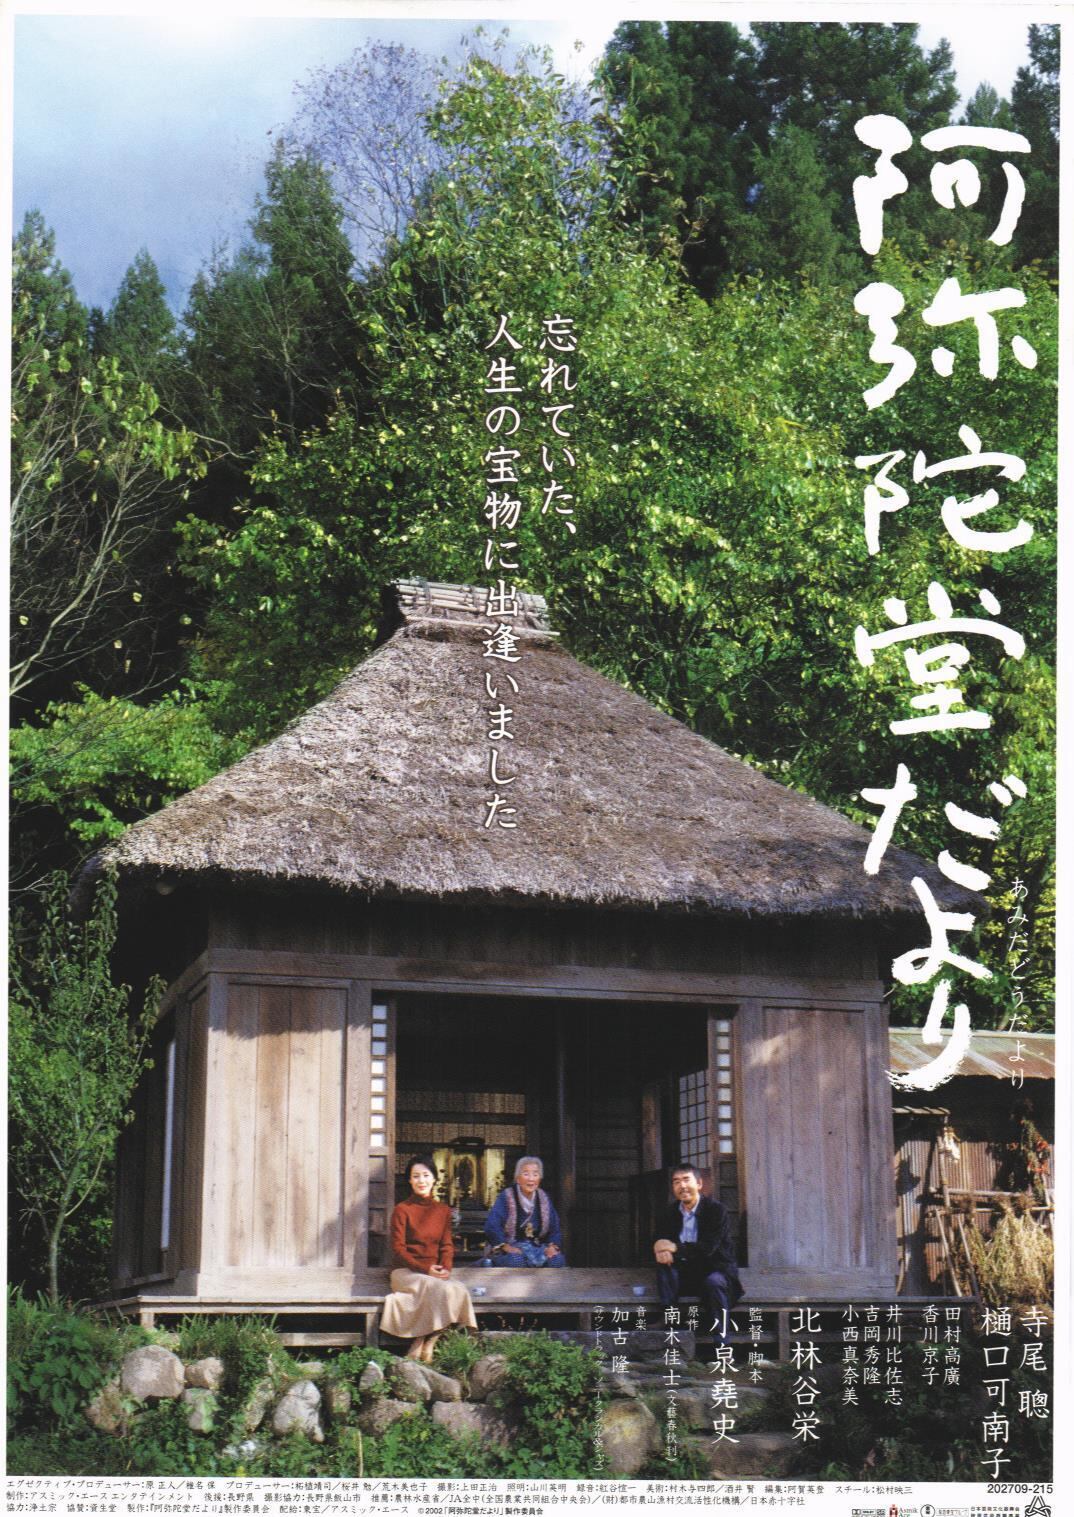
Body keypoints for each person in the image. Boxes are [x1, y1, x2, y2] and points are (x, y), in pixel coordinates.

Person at [381, 1155, 477, 1360]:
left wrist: (445, 1268)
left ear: (434, 1179)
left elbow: (446, 1245)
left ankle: (427, 1342)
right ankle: (420, 1344)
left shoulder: (442, 1210)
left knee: (457, 1289)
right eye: (416, 1176)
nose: (421, 1181)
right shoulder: (402, 1210)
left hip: (433, 1274)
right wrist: (426, 1270)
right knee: (435, 1288)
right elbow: (398, 1249)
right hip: (406, 1273)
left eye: (426, 1175)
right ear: (410, 1180)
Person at [652, 1163, 743, 1345]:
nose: (682, 1186)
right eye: (676, 1182)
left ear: (699, 1184)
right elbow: (660, 1238)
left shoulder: (716, 1210)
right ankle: (669, 1322)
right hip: (686, 1273)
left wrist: (674, 1248)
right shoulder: (669, 1212)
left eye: (686, 1180)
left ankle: (722, 1344)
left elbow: (708, 1248)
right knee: (665, 1266)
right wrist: (660, 1248)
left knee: (715, 1282)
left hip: (714, 1269)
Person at [484, 1156, 567, 1267]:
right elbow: (492, 1225)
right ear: (518, 1178)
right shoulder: (507, 1197)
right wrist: (506, 1247)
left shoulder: (544, 1198)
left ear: (539, 1179)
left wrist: (552, 1247)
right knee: (516, 1261)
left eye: (535, 1174)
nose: (531, 1179)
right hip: (510, 1248)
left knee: (557, 1260)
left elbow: (554, 1228)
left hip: (537, 1249)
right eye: (526, 1174)